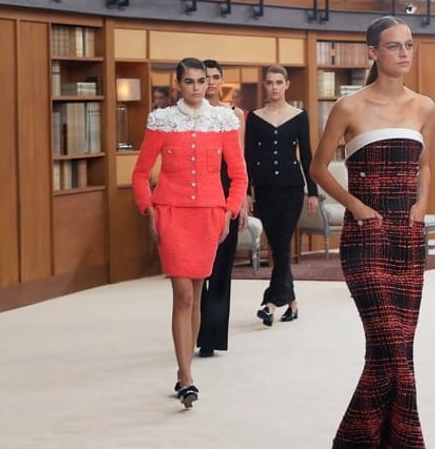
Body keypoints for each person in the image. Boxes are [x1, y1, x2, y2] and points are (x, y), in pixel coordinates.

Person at [311, 15, 435, 449]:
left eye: (409, 45)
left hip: (406, 237)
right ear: (372, 52)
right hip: (365, 239)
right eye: (394, 45)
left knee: (398, 353)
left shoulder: (424, 106)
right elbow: (319, 167)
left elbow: (424, 165)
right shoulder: (349, 106)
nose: (404, 53)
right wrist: (356, 206)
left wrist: (422, 204)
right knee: (388, 343)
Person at [131, 57, 247, 408]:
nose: (196, 87)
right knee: (182, 295)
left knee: (196, 295)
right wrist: (148, 208)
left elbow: (239, 175)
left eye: (201, 81)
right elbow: (140, 174)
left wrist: (229, 211)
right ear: (178, 84)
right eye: (190, 82)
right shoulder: (162, 121)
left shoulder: (224, 120)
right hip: (172, 215)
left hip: (209, 217)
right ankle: (186, 376)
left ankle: (186, 369)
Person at [246, 65, 319, 326]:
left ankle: (270, 303)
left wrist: (313, 192)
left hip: (291, 189)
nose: (274, 87)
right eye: (269, 82)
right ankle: (292, 303)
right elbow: (248, 157)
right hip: (264, 189)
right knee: (278, 247)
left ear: (287, 84)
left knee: (282, 243)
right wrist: (246, 192)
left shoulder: (299, 116)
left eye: (279, 82)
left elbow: (308, 155)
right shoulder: (254, 117)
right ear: (264, 86)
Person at [195, 60, 248, 358]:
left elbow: (239, 160)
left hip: (228, 190)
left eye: (216, 77)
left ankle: (211, 337)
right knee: (196, 269)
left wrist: (242, 199)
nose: (211, 82)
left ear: (222, 80)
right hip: (198, 192)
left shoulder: (234, 115)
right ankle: (195, 326)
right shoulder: (191, 114)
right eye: (206, 77)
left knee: (221, 267)